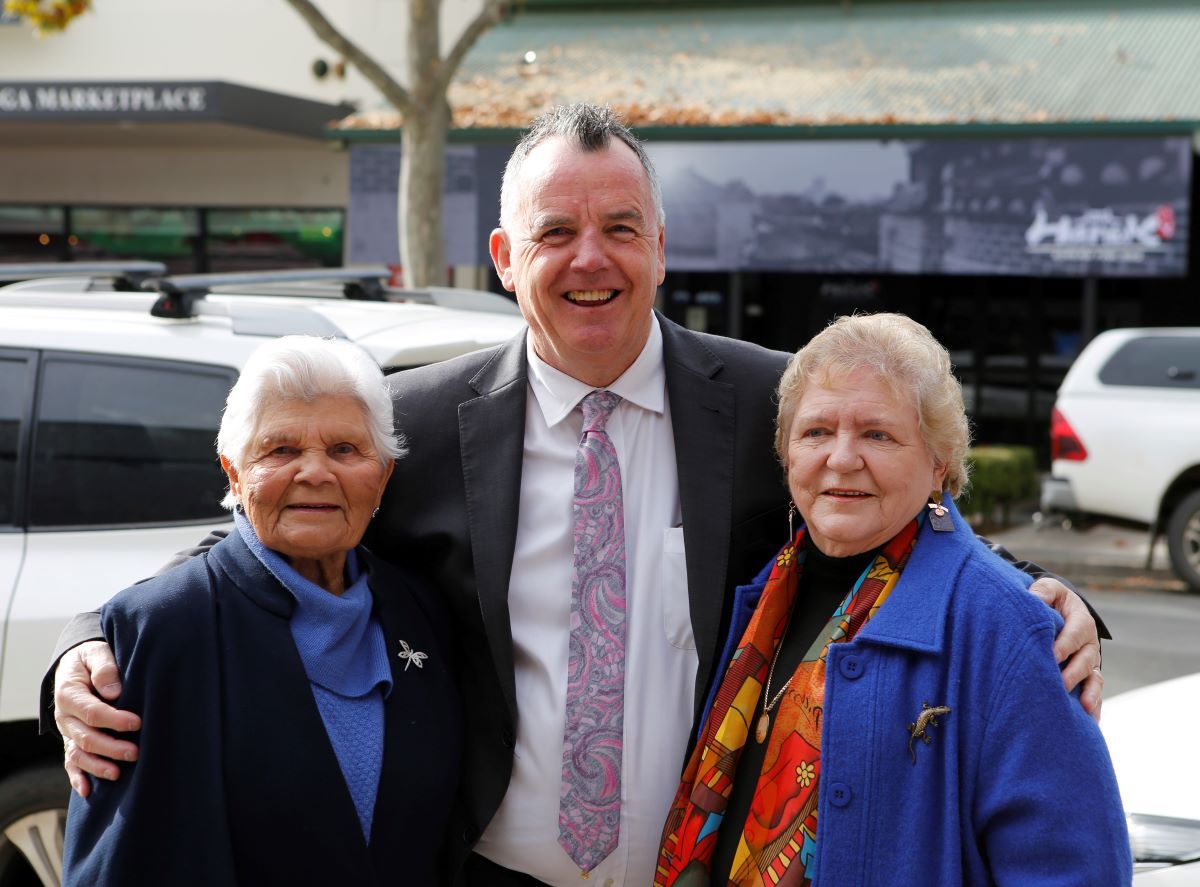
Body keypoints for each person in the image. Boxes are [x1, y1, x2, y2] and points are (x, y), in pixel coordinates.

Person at [45, 105, 1105, 887]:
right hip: (484, 873)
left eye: (620, 227)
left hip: (700, 868)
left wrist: (1048, 599)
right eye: (555, 232)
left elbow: (890, 494)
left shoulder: (768, 400)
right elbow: (275, 518)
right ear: (507, 257)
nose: (588, 259)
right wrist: (93, 643)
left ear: (659, 246)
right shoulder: (418, 421)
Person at [656, 313, 1130, 886]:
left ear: (939, 465)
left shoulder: (1012, 631)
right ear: (785, 454)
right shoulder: (761, 592)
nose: (841, 458)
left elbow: (1075, 871)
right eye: (816, 432)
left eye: (877, 434)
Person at [60, 336, 462, 886]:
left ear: (383, 475)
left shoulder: (418, 608)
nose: (316, 472)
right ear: (233, 472)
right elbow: (122, 867)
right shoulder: (162, 629)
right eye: (282, 450)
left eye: (346, 449)